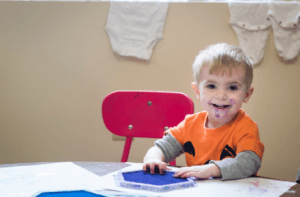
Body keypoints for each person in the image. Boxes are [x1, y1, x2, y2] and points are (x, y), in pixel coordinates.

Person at [142, 43, 264, 181]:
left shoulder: (246, 127)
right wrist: (153, 159)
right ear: (197, 91)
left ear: (247, 94)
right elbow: (162, 147)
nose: (221, 95)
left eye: (232, 87)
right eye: (211, 86)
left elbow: (249, 163)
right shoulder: (190, 125)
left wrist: (212, 169)